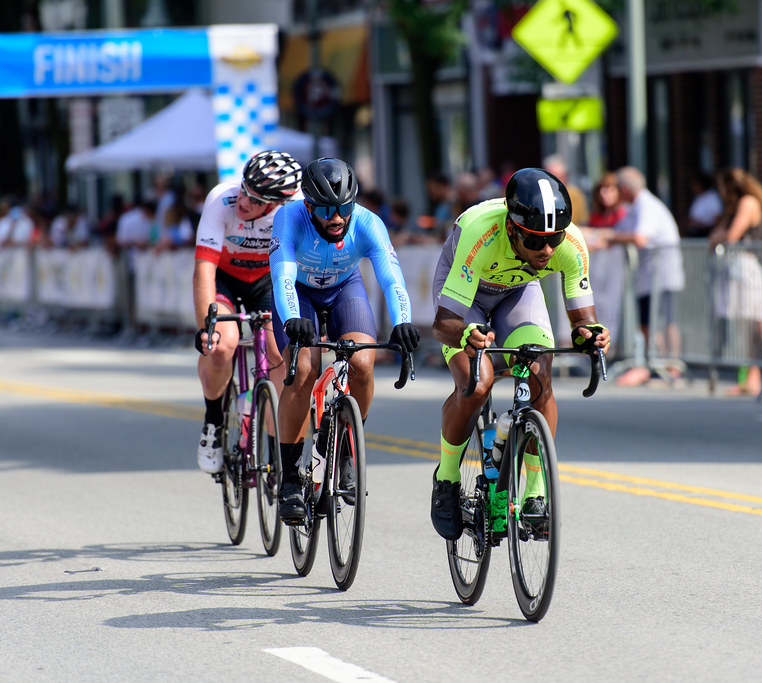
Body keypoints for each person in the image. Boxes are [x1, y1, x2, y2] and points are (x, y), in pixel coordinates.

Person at [428, 167, 610, 540]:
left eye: (553, 240)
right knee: (477, 384)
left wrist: (590, 336)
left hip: (518, 293)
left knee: (540, 372)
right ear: (512, 228)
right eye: (535, 241)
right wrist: (468, 334)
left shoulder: (570, 244)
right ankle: (446, 477)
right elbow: (442, 325)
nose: (546, 250)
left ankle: (535, 491)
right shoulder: (480, 232)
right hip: (466, 298)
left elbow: (582, 322)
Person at [270, 157, 420, 523]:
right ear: (308, 205)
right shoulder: (289, 218)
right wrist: (292, 320)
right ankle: (290, 477)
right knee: (303, 368)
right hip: (299, 294)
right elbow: (284, 278)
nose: (336, 218)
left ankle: (349, 450)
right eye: (324, 209)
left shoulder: (369, 223)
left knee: (362, 364)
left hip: (343, 289)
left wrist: (403, 323)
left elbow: (391, 279)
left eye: (344, 208)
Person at [192, 150, 303, 474]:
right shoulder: (220, 200)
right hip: (225, 279)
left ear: (276, 203)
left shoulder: (294, 208)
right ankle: (213, 423)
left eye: (256, 200)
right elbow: (204, 270)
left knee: (280, 354)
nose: (244, 201)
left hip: (267, 280)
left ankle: (277, 447)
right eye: (245, 190)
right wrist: (206, 327)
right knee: (222, 344)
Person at [709, 167, 762, 395]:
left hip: (746, 268)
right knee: (746, 328)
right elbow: (718, 234)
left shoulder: (748, 202)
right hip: (736, 268)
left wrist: (718, 237)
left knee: (760, 324)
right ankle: (751, 378)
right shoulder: (736, 206)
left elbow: (731, 236)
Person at [609, 166, 685, 387]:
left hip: (661, 275)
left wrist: (612, 237)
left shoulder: (647, 206)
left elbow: (640, 237)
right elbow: (620, 230)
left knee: (665, 320)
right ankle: (655, 363)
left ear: (624, 189)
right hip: (648, 276)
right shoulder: (635, 207)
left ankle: (671, 366)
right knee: (648, 323)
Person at [684, 172, 722, 238]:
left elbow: (717, 219)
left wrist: (700, 225)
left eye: (695, 184)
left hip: (705, 236)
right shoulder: (698, 197)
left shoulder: (712, 198)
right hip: (694, 234)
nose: (693, 187)